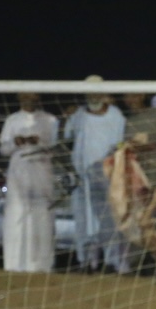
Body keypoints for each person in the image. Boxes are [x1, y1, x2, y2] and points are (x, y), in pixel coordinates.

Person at [64, 79, 129, 272]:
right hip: (81, 178)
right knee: (84, 219)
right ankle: (86, 261)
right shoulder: (77, 115)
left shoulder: (115, 115)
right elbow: (66, 138)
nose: (93, 96)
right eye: (89, 92)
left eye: (96, 92)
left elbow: (120, 145)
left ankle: (112, 262)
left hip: (107, 176)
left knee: (108, 219)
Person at [0, 92, 58, 273]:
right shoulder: (12, 120)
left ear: (38, 97)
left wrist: (39, 142)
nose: (28, 99)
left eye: (32, 96)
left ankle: (42, 265)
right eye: (24, 96)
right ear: (19, 98)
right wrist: (15, 143)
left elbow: (55, 146)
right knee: (16, 215)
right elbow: (3, 149)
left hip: (41, 170)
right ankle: (14, 264)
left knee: (42, 216)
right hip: (18, 172)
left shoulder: (50, 120)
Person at [122, 92, 156, 182]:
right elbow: (122, 145)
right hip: (134, 172)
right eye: (126, 97)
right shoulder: (126, 120)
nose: (130, 100)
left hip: (155, 170)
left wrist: (150, 146)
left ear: (142, 96)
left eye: (134, 96)